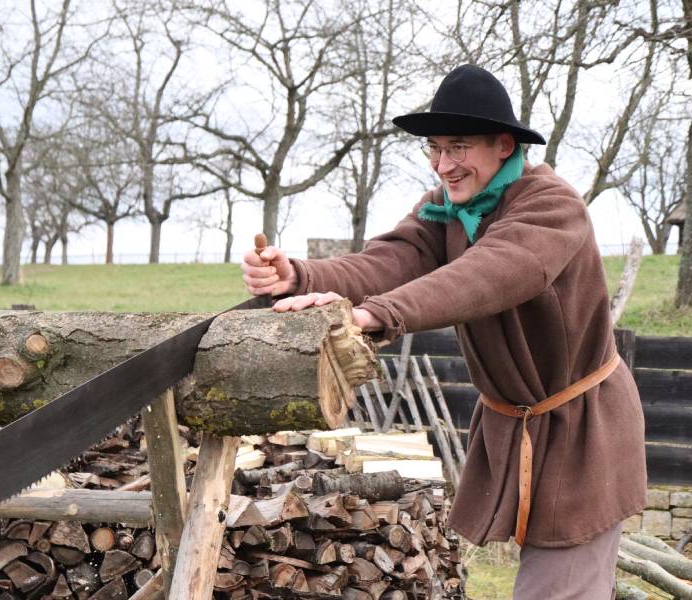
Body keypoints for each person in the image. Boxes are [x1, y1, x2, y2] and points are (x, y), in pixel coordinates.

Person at [242, 64, 646, 599]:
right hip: (517, 423)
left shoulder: (551, 206)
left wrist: (371, 316)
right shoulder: (447, 208)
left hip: (581, 433)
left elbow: (489, 273)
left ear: (504, 145)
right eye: (435, 148)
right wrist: (300, 276)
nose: (443, 164)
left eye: (458, 147)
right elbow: (391, 258)